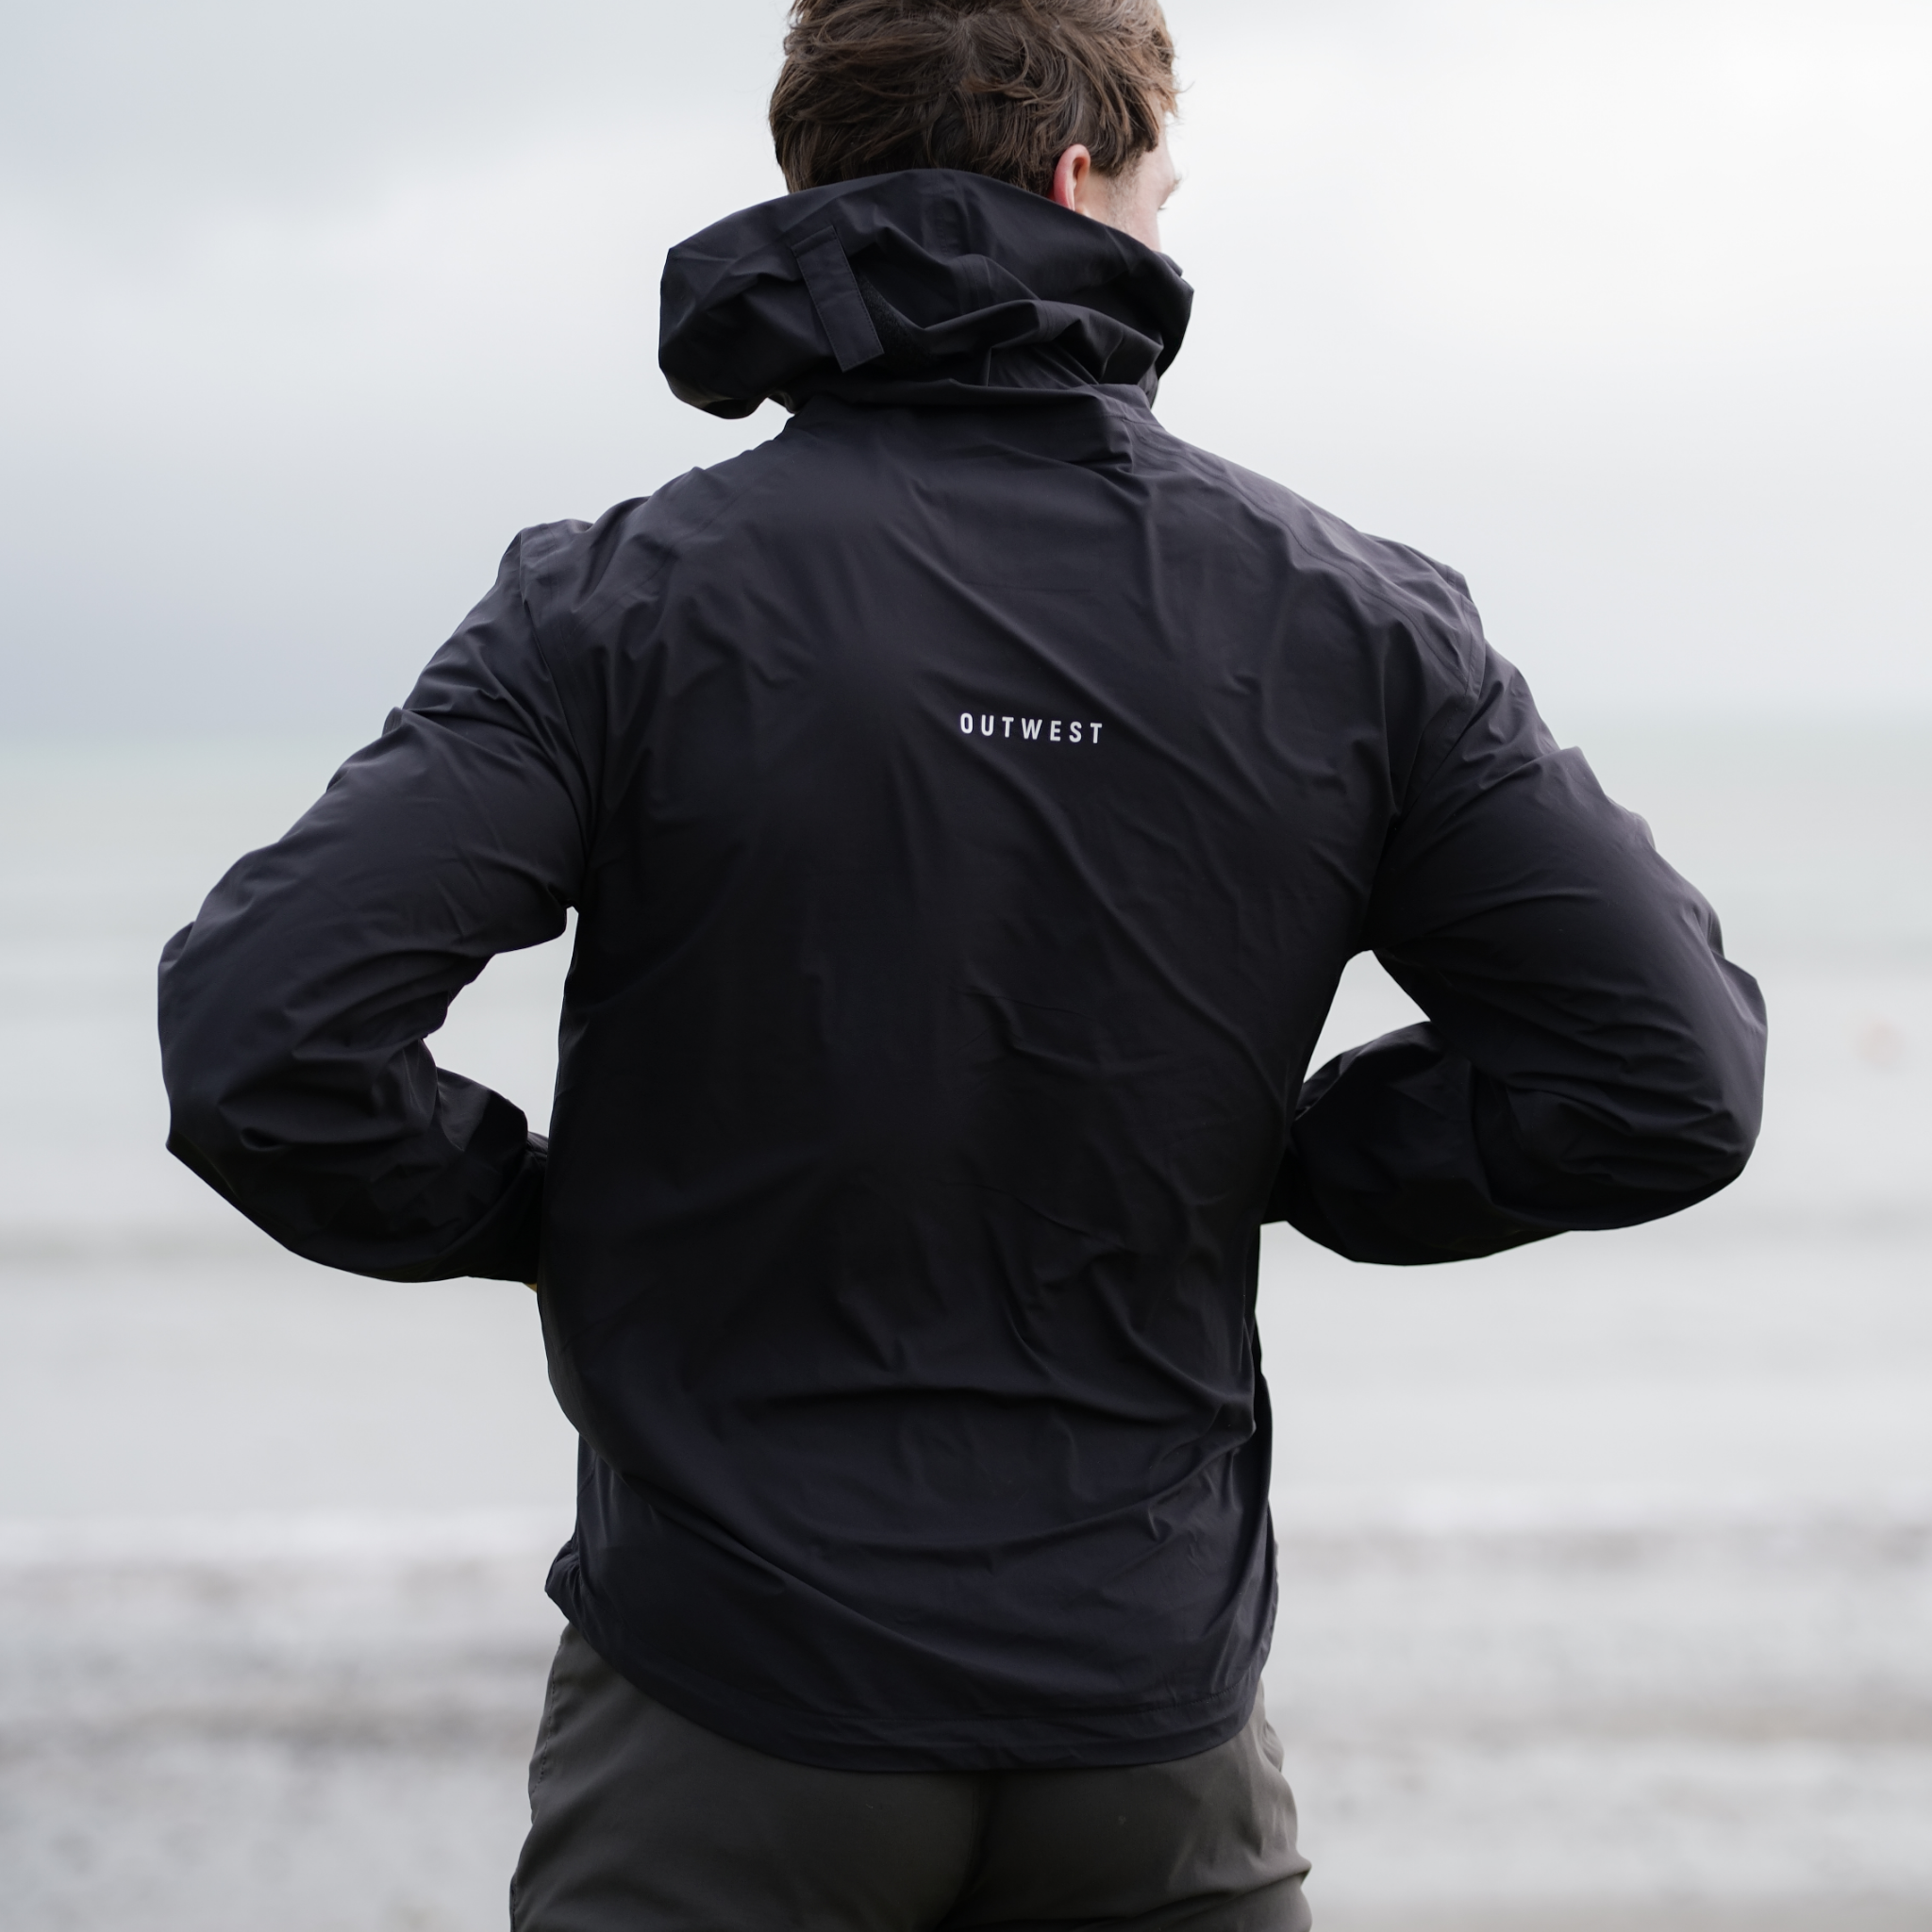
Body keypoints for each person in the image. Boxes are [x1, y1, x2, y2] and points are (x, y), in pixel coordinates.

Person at [157, 1, 1768, 1924]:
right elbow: (1663, 1078)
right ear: (1083, 182)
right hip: (1149, 1729)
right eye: (1165, 193)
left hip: (726, 1709)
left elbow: (267, 1043)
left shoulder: (619, 604)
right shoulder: (1353, 619)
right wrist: (1303, 1167)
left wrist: (550, 1216)